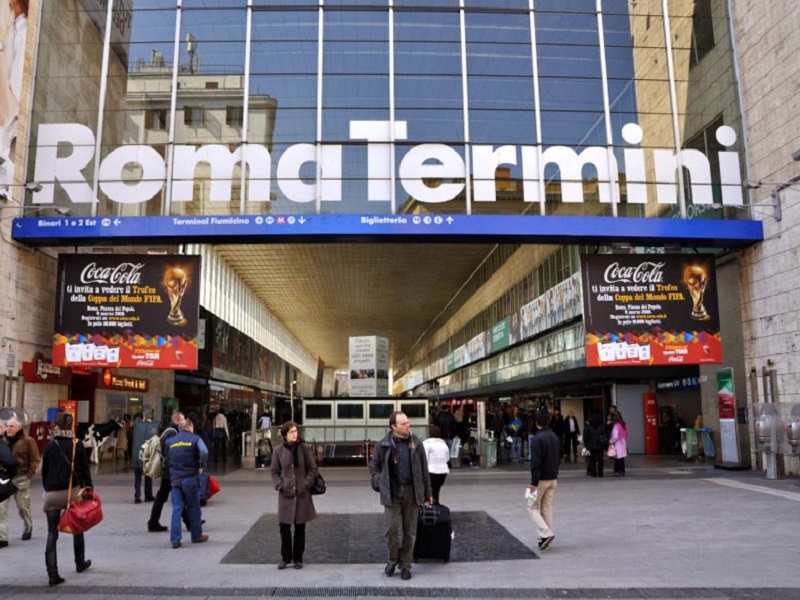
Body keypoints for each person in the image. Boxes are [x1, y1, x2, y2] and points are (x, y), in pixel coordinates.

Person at [369, 411, 432, 581]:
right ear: (393, 426)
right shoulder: (383, 444)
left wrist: (428, 493)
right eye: (403, 424)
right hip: (392, 493)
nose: (407, 426)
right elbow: (373, 466)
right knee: (392, 530)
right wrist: (378, 482)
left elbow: (424, 470)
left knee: (410, 533)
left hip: (412, 493)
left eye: (408, 423)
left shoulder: (416, 443)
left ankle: (405, 565)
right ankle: (392, 559)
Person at [41, 412, 92, 586]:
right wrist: (89, 489)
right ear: (70, 426)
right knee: (77, 527)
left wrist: (48, 489)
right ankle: (80, 562)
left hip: (53, 494)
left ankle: (52, 574)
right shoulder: (76, 445)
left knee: (51, 533)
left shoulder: (49, 445)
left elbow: (45, 472)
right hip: (73, 492)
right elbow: (84, 469)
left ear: (56, 425)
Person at [270, 421, 318, 570]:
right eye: (291, 432)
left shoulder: (305, 449)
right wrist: (280, 484)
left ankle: (298, 558)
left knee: (300, 528)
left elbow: (313, 469)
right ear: (285, 434)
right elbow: (274, 471)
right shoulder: (278, 451)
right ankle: (285, 557)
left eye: (296, 431)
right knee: (284, 528)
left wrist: (306, 483)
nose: (294, 434)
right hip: (286, 495)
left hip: (301, 494)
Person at [166, 419, 209, 548]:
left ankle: (175, 540)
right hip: (190, 477)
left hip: (175, 479)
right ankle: (196, 536)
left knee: (177, 509)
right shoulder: (195, 439)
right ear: (190, 427)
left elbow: (166, 457)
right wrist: (201, 465)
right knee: (194, 507)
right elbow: (204, 452)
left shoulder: (170, 441)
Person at [2, 414, 40, 541]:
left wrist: (29, 475)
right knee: (1, 508)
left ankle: (28, 527)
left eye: (11, 426)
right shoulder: (3, 441)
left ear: (19, 427)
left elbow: (35, 460)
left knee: (23, 507)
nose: (8, 428)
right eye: (6, 426)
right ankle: (2, 537)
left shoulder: (29, 441)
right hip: (5, 479)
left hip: (21, 479)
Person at [528, 411, 560, 551]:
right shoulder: (554, 437)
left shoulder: (536, 439)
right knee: (546, 508)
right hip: (553, 478)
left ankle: (546, 534)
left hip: (539, 481)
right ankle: (547, 536)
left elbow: (535, 463)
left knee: (531, 506)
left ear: (537, 423)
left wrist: (533, 483)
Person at [147, 411, 184, 532]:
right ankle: (153, 522)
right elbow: (171, 453)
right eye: (183, 420)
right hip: (170, 472)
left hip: (169, 472)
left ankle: (153, 522)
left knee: (165, 497)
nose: (184, 423)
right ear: (177, 420)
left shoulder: (169, 431)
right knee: (173, 496)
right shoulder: (172, 433)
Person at [130, 413, 158, 503]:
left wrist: (131, 455)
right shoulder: (152, 427)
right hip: (147, 456)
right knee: (148, 476)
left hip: (137, 455)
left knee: (137, 477)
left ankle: (137, 497)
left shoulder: (135, 429)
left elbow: (130, 442)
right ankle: (148, 495)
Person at [0, 416, 18, 550]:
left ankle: (2, 538)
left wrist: (7, 475)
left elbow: (11, 463)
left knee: (1, 511)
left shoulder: (2, 445)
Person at [422, 426, 450, 505]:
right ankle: (436, 502)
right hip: (443, 471)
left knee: (428, 488)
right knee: (436, 488)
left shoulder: (426, 445)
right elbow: (447, 458)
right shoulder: (444, 445)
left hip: (431, 470)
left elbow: (424, 459)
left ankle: (429, 504)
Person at [582, 414, 606, 478]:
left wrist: (586, 445)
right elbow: (605, 436)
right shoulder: (601, 427)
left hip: (591, 446)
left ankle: (594, 473)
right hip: (600, 446)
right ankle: (600, 473)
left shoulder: (588, 427)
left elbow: (585, 437)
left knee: (592, 460)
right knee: (600, 460)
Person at [609, 412, 629, 476]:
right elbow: (626, 434)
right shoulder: (623, 425)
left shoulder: (616, 426)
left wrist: (611, 441)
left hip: (618, 443)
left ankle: (619, 471)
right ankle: (621, 471)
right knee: (621, 458)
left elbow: (615, 436)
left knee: (618, 458)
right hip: (623, 442)